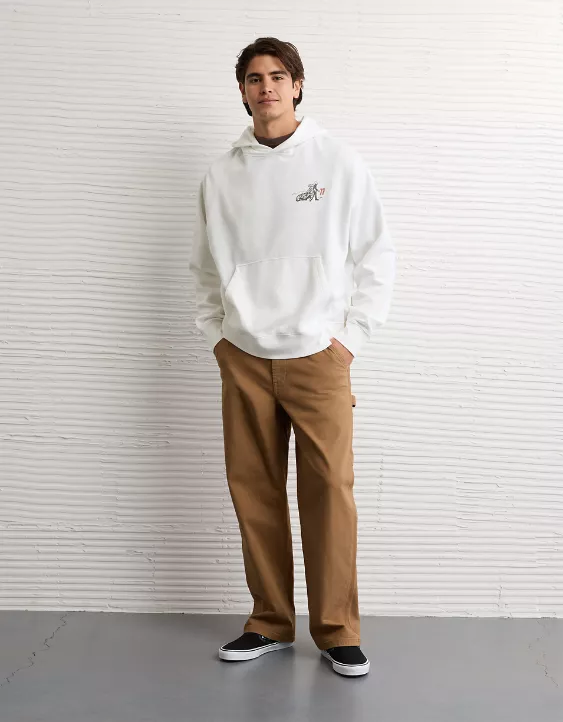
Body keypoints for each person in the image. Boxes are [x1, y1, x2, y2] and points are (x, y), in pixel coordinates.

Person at [188, 37, 395, 677]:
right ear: (243, 90)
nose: (267, 87)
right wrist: (218, 337)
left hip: (318, 355)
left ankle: (337, 630)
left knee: (330, 493)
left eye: (279, 76)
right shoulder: (221, 175)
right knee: (254, 492)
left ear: (298, 85)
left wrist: (349, 341)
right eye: (255, 78)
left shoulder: (337, 161)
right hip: (244, 355)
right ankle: (269, 622)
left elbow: (377, 255)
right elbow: (203, 268)